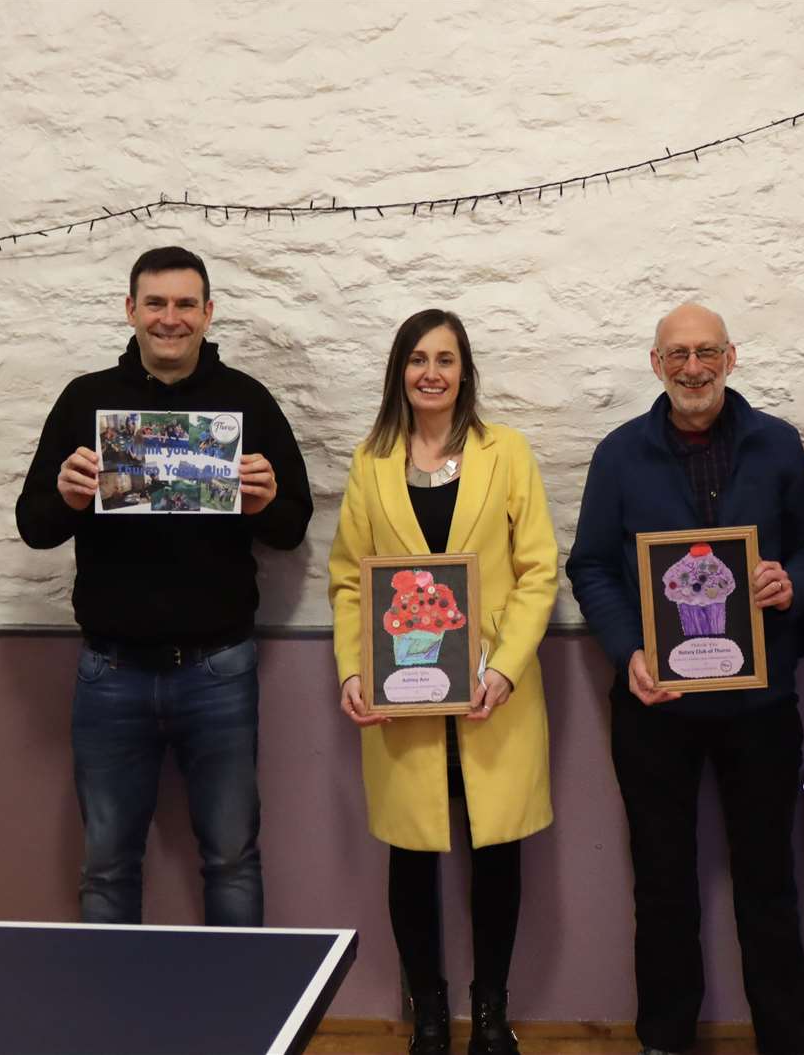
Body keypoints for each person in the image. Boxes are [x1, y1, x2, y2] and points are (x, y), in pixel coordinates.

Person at [16, 245, 313, 927]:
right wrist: (64, 494)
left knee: (233, 857)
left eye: (185, 304)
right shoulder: (86, 401)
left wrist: (264, 501)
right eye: (156, 303)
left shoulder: (246, 402)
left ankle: (240, 1027)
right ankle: (111, 1026)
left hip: (220, 668)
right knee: (108, 864)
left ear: (209, 314)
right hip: (110, 670)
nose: (170, 318)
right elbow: (34, 527)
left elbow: (294, 528)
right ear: (130, 310)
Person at [567, 302, 804, 1055]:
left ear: (731, 357)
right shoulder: (619, 454)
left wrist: (795, 582)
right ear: (656, 363)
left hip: (762, 702)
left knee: (769, 886)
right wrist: (628, 652)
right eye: (677, 353)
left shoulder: (776, 445)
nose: (693, 367)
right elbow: (589, 565)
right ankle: (664, 1041)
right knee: (663, 888)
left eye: (706, 351)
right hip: (656, 705)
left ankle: (787, 1042)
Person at [328, 309, 558, 1055]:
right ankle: (428, 1014)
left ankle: (491, 1014)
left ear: (465, 371)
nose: (432, 372)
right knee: (412, 855)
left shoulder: (508, 454)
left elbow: (537, 572)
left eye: (446, 359)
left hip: (494, 697)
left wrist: (505, 667)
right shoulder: (371, 461)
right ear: (400, 370)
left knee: (497, 855)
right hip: (403, 703)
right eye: (418, 358)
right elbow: (349, 583)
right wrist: (355, 669)